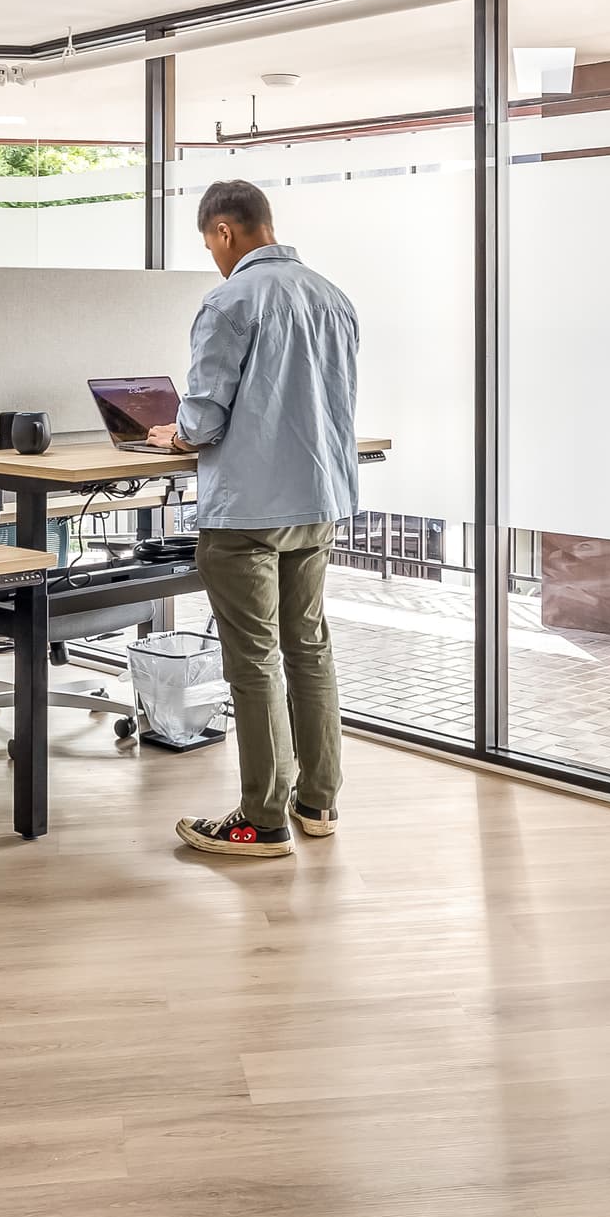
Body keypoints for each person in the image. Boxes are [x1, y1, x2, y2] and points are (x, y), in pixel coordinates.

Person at [146, 178, 360, 858]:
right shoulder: (334, 298)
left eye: (209, 241)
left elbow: (204, 417)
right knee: (309, 646)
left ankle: (261, 818)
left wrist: (173, 433)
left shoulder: (229, 300)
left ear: (225, 232)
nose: (212, 253)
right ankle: (317, 802)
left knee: (255, 659)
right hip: (318, 499)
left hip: (247, 511)